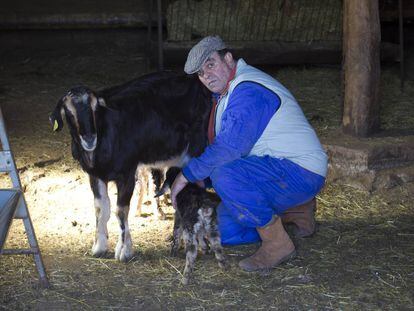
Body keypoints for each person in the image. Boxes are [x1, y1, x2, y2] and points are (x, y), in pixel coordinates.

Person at [170, 36, 328, 272]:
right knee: (218, 229)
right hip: (272, 170)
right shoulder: (228, 92)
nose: (207, 76)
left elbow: (231, 149)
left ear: (228, 58)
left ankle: (277, 243)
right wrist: (204, 178)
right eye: (201, 74)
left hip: (298, 171)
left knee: (225, 175)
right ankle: (293, 212)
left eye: (211, 64)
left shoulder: (248, 90)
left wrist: (187, 176)